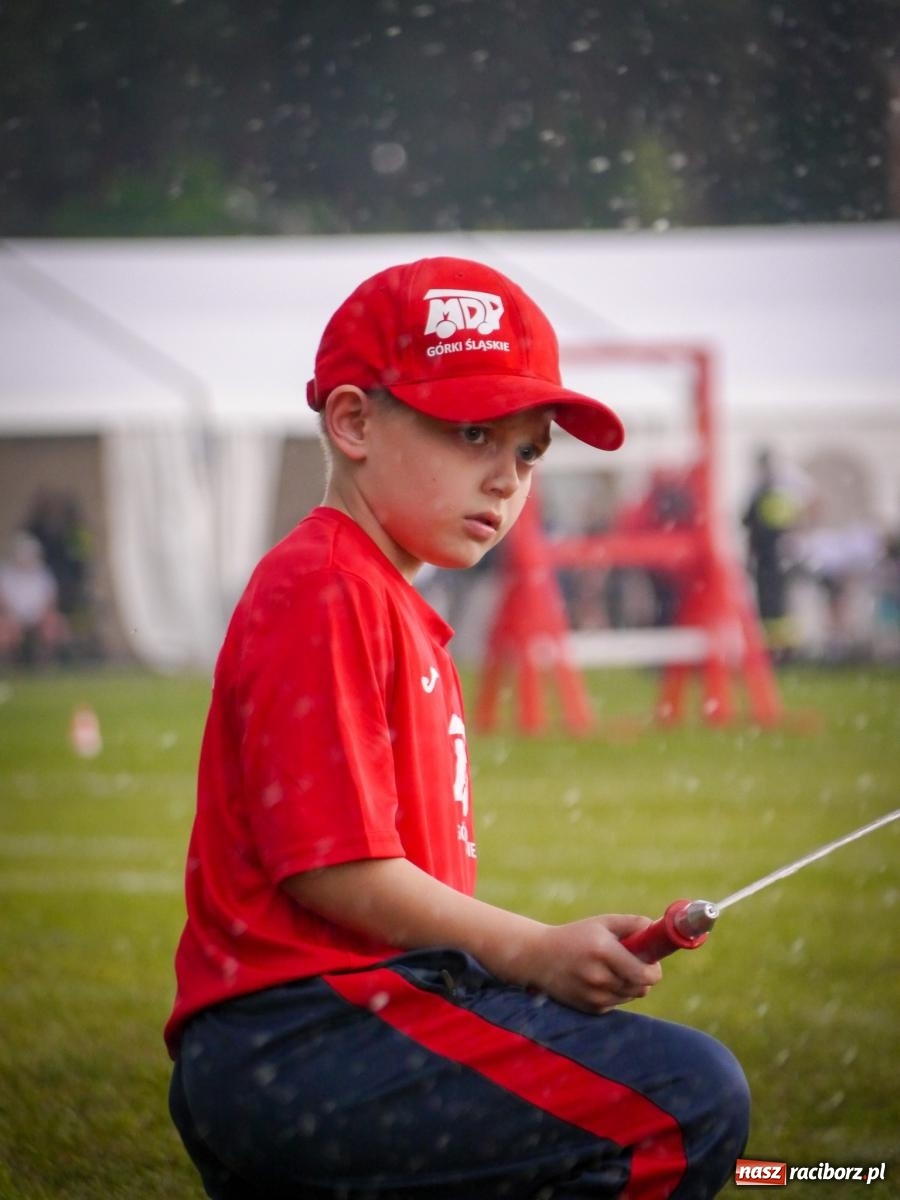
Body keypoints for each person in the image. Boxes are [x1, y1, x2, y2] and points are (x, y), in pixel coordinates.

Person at [165, 257, 749, 1200]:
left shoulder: (382, 596)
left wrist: (520, 975)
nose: (506, 479)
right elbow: (333, 867)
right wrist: (529, 950)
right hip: (306, 1039)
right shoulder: (328, 586)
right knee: (687, 1102)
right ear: (353, 422)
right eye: (473, 431)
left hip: (342, 1035)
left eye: (527, 452)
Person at [0, 530, 69, 665]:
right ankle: (8, 663)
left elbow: (50, 600)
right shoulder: (5, 574)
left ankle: (45, 662)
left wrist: (43, 614)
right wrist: (11, 616)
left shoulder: (43, 574)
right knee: (3, 628)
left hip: (39, 615)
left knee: (53, 624)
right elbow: (3, 601)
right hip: (12, 616)